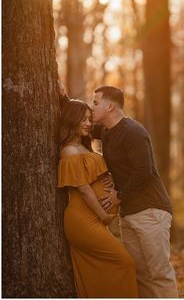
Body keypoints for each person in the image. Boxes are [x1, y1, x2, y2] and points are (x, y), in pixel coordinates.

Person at [91, 86, 178, 298]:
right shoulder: (106, 131)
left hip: (151, 211)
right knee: (139, 273)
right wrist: (61, 96)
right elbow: (77, 120)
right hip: (129, 213)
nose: (91, 108)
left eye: (95, 103)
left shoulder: (133, 132)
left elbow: (144, 172)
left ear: (110, 106)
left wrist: (118, 196)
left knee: (158, 273)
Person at [58, 99, 138, 298]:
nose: (88, 123)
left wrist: (108, 179)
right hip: (83, 219)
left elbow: (94, 175)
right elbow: (84, 189)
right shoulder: (69, 150)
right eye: (83, 119)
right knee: (124, 262)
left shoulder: (84, 147)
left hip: (93, 218)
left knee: (102, 269)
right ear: (71, 120)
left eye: (89, 119)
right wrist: (103, 215)